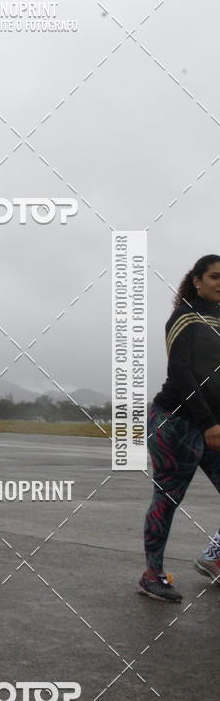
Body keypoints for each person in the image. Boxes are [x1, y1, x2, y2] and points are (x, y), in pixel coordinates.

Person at [139, 254, 220, 602]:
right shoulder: (184, 316)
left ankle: (212, 557)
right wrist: (208, 422)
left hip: (212, 423)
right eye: (216, 276)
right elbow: (181, 373)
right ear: (197, 280)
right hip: (176, 422)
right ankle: (152, 575)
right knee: (168, 498)